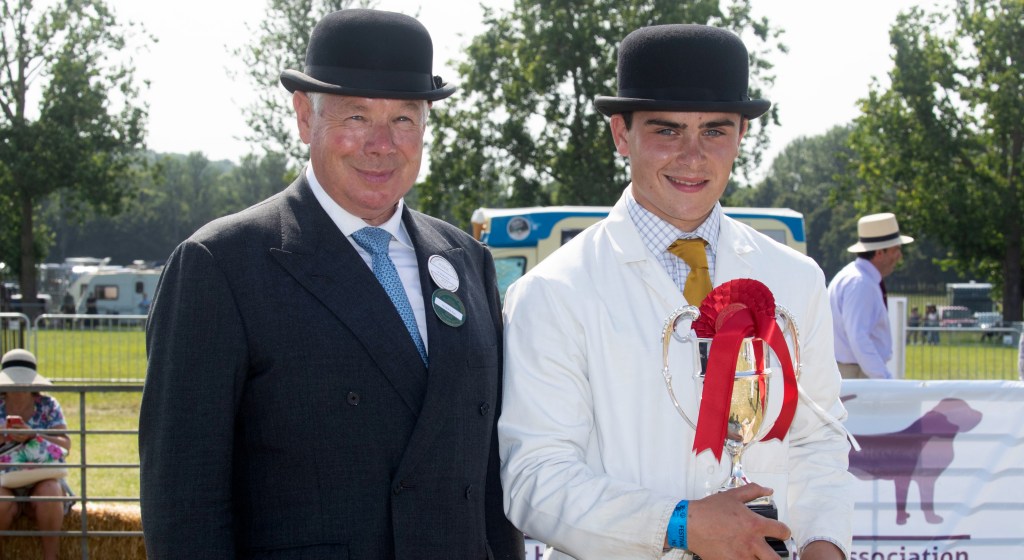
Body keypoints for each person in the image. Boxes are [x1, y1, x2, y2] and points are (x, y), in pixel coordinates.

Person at [138, 9, 523, 559]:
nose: (382, 144)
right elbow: (183, 503)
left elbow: (488, 475)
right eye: (358, 117)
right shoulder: (221, 266)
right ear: (303, 116)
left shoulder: (465, 260)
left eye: (404, 120)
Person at [498, 24, 854, 560]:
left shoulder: (796, 278)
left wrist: (824, 545)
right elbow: (535, 480)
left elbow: (817, 440)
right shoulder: (553, 292)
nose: (692, 157)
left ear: (742, 135)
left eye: (715, 131)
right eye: (666, 131)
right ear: (622, 134)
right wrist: (680, 525)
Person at [0, 349, 73, 560]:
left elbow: (66, 444)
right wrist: (5, 437)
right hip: (4, 479)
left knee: (50, 491)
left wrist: (34, 435)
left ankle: (51, 557)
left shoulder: (48, 405)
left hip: (42, 475)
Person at [828, 213, 914, 379]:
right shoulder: (860, 283)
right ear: (880, 252)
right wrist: (882, 378)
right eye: (896, 249)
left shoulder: (857, 278)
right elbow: (858, 337)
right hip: (857, 372)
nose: (899, 256)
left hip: (856, 370)